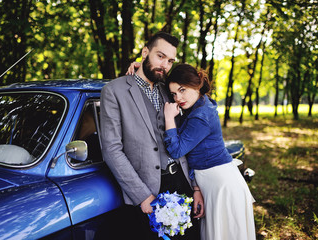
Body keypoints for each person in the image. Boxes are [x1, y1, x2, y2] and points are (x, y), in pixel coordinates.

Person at [100, 32, 204, 240]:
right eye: (160, 56)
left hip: (182, 181)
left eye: (170, 61)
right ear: (145, 53)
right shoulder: (114, 91)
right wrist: (142, 196)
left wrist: (196, 186)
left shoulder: (170, 89)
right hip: (148, 190)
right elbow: (111, 149)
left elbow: (188, 137)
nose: (165, 65)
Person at [163, 63, 256, 240]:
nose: (178, 98)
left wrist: (169, 118)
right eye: (174, 93)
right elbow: (194, 155)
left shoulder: (201, 116)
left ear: (196, 85)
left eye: (182, 90)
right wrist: (197, 188)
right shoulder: (199, 104)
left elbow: (176, 150)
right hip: (212, 182)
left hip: (221, 185)